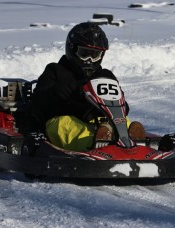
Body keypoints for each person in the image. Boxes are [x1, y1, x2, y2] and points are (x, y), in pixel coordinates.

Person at [31, 22, 145, 152]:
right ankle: (94, 145)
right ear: (72, 49)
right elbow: (38, 103)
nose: (89, 60)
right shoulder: (55, 71)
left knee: (122, 120)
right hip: (63, 119)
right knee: (63, 125)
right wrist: (57, 93)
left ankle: (134, 143)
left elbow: (121, 104)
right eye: (84, 53)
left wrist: (121, 107)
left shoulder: (105, 75)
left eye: (94, 55)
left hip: (101, 123)